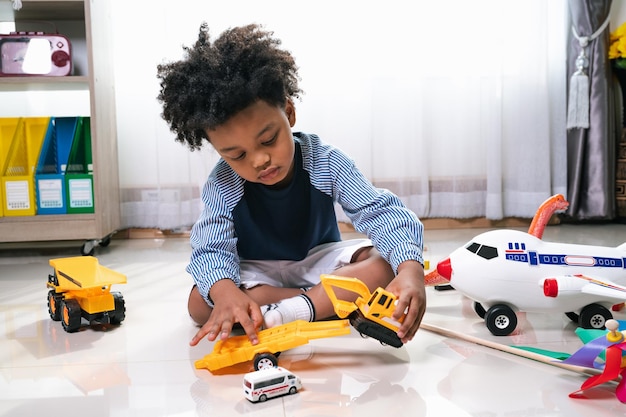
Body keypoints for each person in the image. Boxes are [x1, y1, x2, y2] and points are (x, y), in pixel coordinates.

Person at [156, 23, 426, 348]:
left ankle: (290, 309)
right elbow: (211, 246)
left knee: (385, 263)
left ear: (289, 111)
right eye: (236, 154)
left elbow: (380, 214)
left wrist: (410, 269)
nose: (258, 161)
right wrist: (225, 290)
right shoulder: (222, 183)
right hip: (259, 272)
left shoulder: (325, 161)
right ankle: (316, 304)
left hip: (319, 261)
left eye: (268, 139)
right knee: (200, 303)